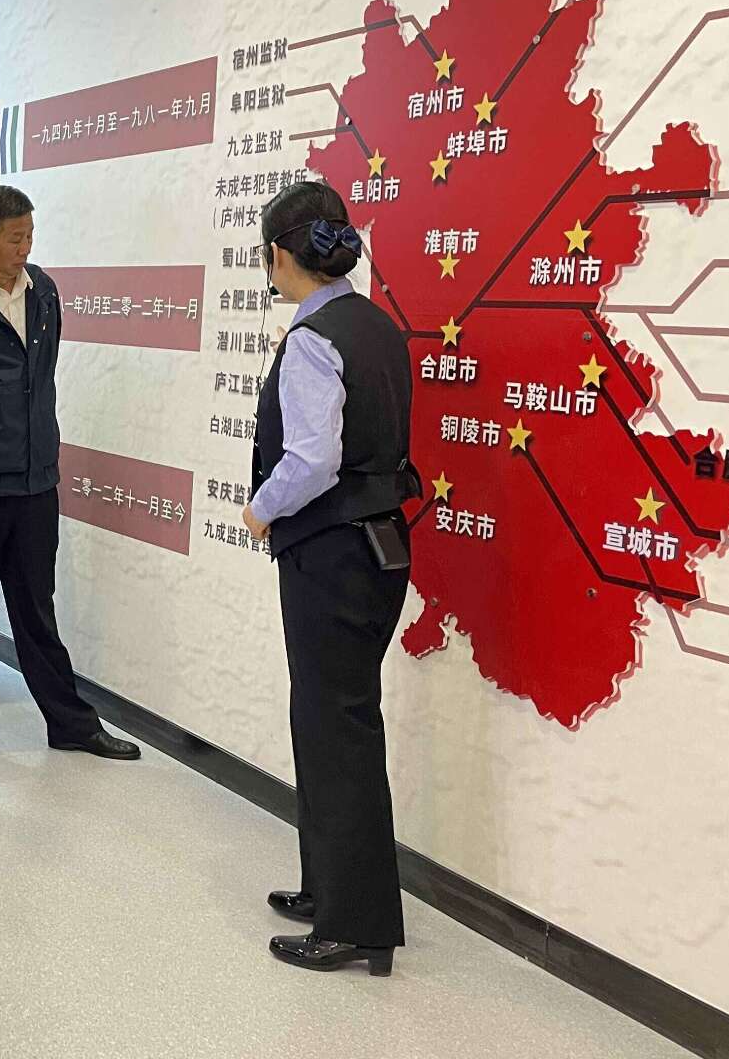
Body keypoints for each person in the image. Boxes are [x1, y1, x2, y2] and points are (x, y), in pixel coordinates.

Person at [243, 181, 419, 976]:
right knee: (329, 720)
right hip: (378, 548)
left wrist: (260, 509)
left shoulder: (314, 338)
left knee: (336, 729)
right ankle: (328, 887)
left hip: (331, 552)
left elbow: (312, 459)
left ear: (279, 255)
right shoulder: (376, 325)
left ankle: (356, 924)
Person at [0, 185, 139, 768]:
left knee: (37, 607)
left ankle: (70, 723)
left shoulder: (44, 292)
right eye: (15, 239)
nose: (25, 248)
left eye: (30, 236)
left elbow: (43, 376)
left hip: (36, 482)